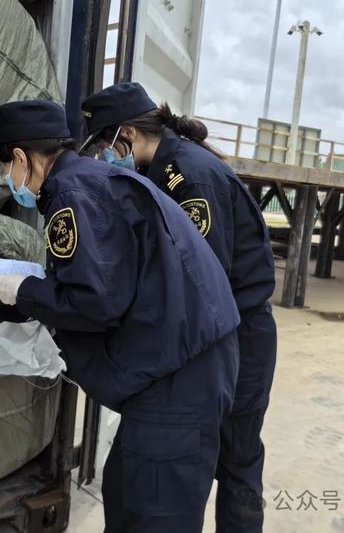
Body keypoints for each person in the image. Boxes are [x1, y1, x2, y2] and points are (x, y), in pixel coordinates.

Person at [0, 99, 240, 532]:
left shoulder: (73, 193)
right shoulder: (93, 180)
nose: (6, 179)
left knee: (154, 514)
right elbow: (87, 285)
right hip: (178, 366)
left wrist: (23, 288)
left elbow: (93, 303)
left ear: (22, 158)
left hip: (181, 380)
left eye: (4, 167)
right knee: (125, 494)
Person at [81, 82, 278, 533]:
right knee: (187, 461)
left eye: (103, 145)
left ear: (126, 134)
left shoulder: (190, 177)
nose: (101, 157)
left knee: (236, 460)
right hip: (209, 334)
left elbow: (198, 283)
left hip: (236, 338)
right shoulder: (160, 169)